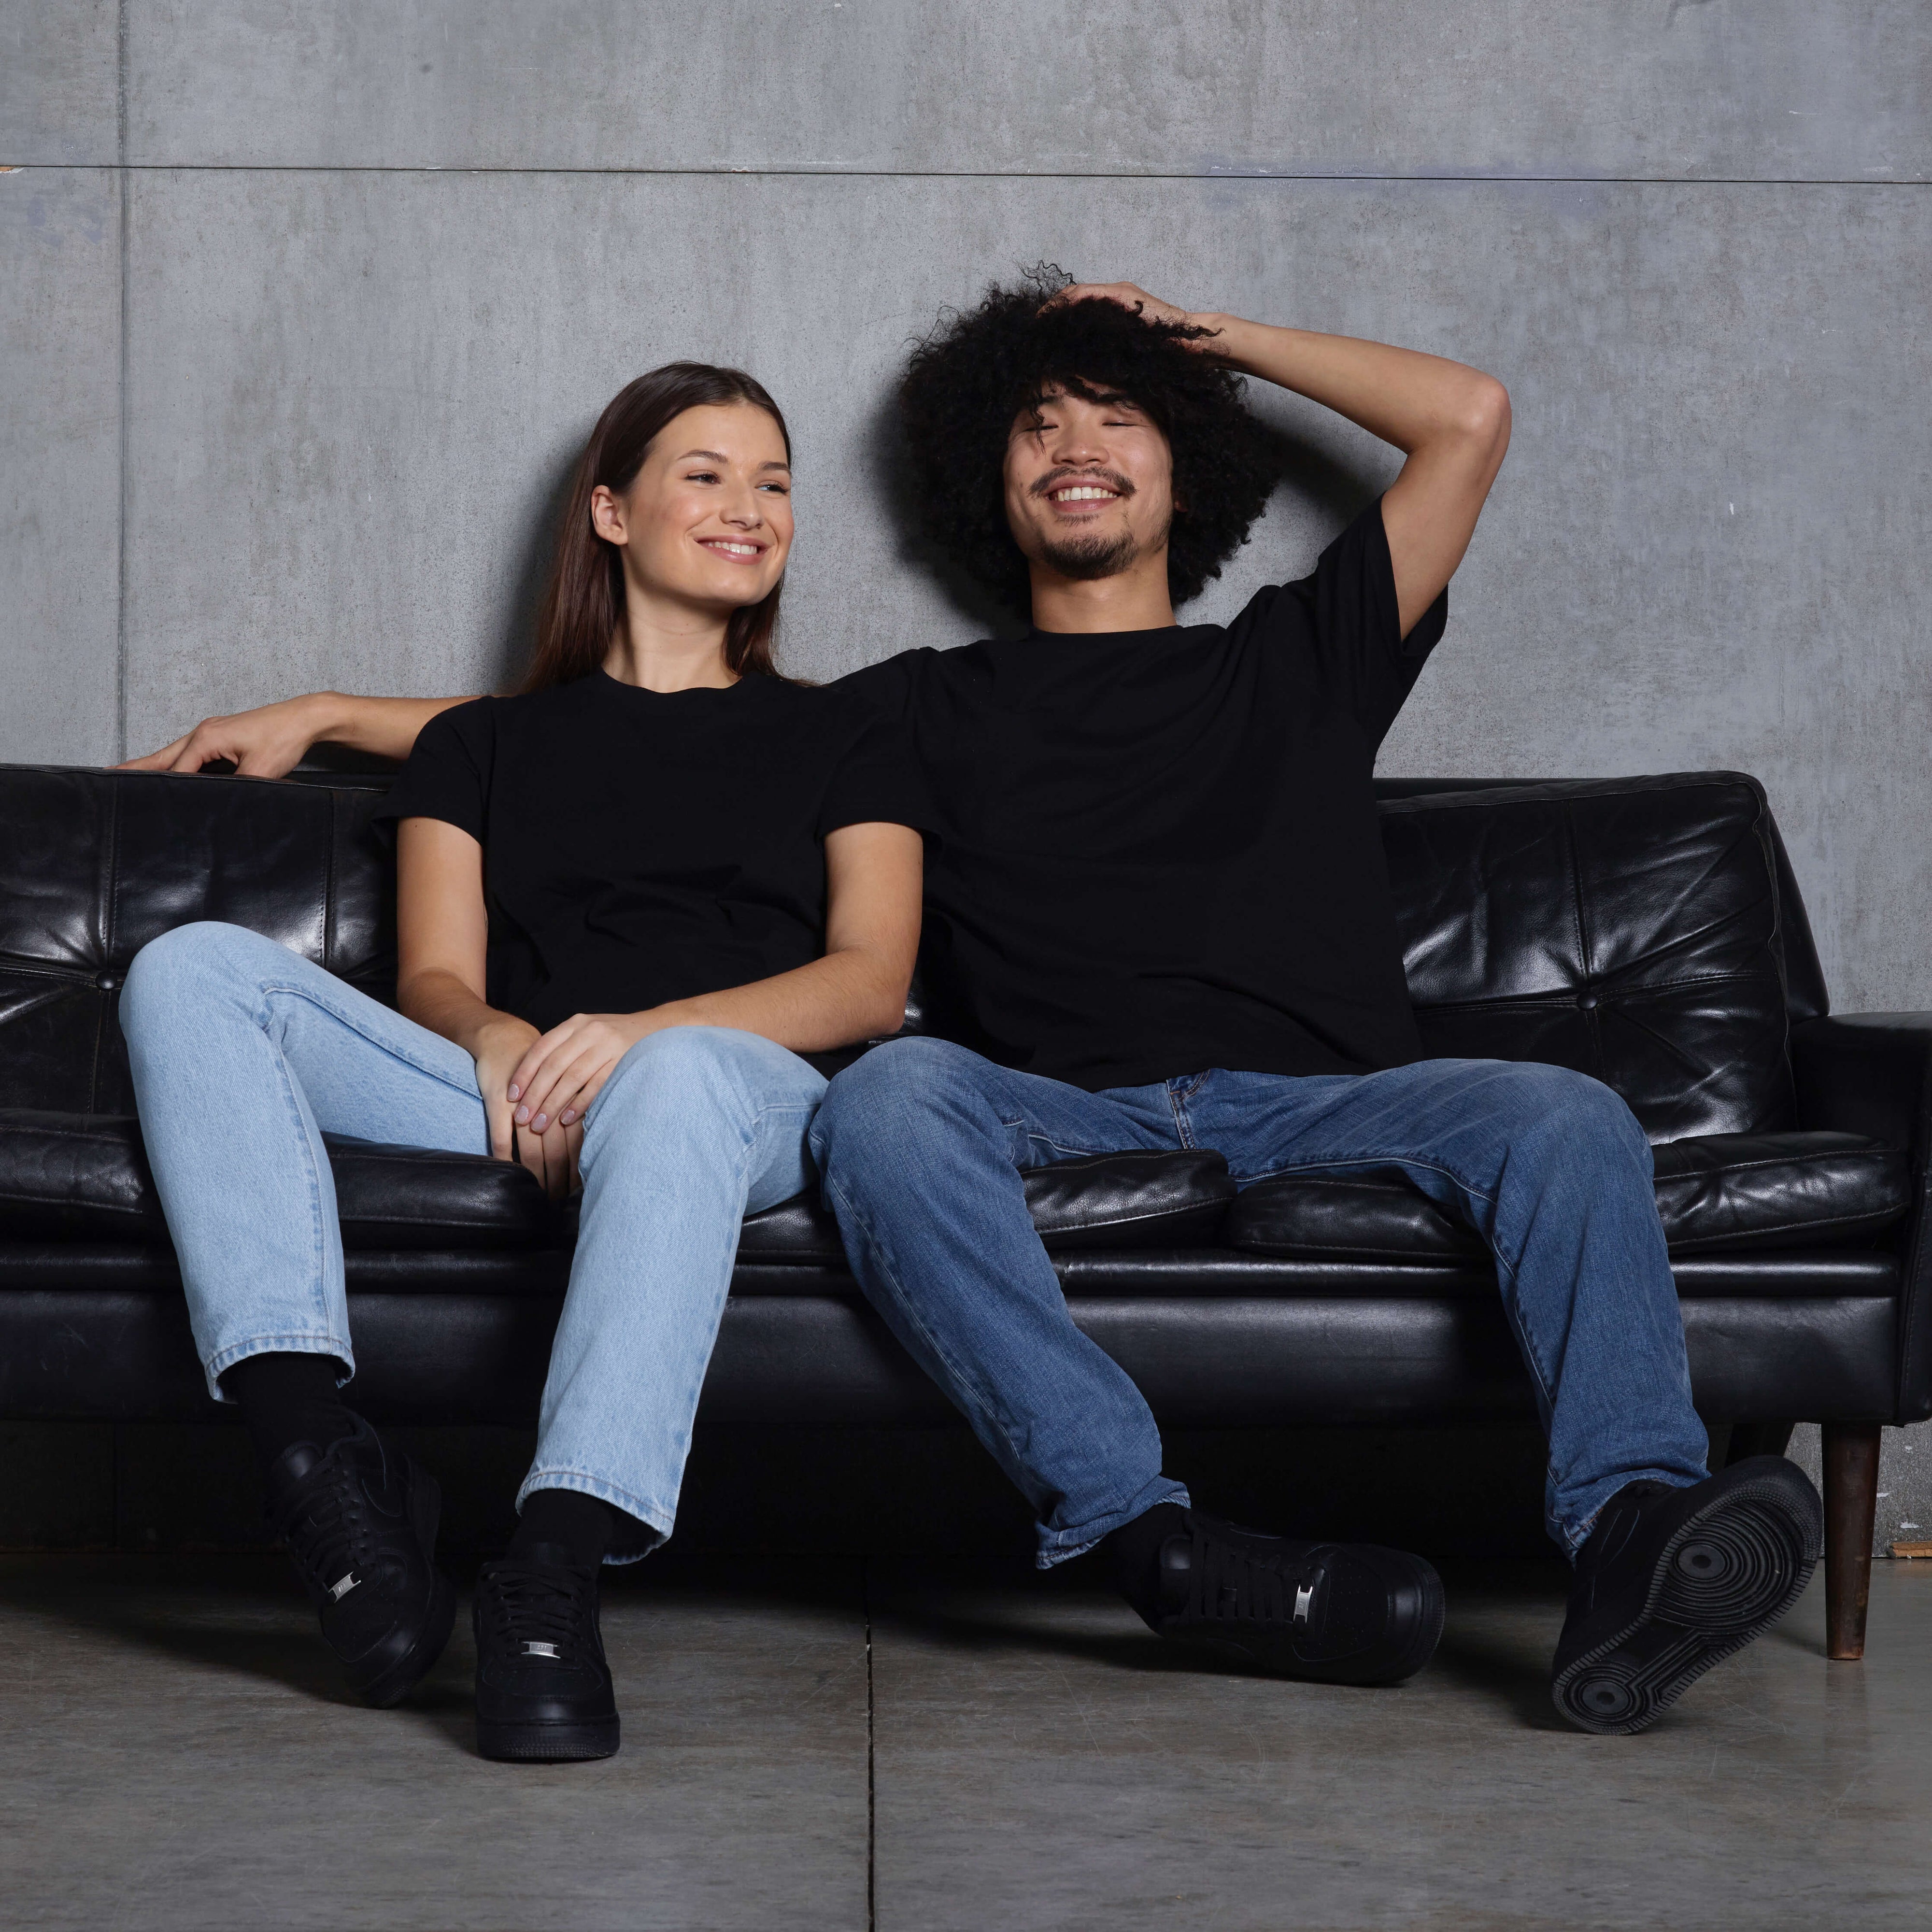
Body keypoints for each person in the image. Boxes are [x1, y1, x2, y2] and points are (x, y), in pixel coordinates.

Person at [128, 272, 1823, 1737]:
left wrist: (1187, 332)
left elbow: (1465, 414)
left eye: (1121, 418)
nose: (1078, 447)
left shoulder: (1299, 655)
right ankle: (1138, 1525)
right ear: (983, 482)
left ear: (1188, 453)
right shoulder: (912, 711)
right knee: (886, 1094)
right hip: (1040, 1103)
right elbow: (639, 735)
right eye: (1038, 425)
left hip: (1323, 1096)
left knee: (1566, 1109)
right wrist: (328, 711)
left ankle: (1630, 1533)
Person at [119, 363, 928, 1762]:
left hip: (742, 1097)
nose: (753, 507)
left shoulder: (849, 730)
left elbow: (869, 983)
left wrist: (642, 1037)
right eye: (709, 474)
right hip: (528, 1094)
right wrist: (498, 1040)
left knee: (676, 1084)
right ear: (611, 511)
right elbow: (435, 974)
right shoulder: (480, 744)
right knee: (192, 968)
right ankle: (322, 1465)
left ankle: (549, 1565)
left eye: (777, 482)